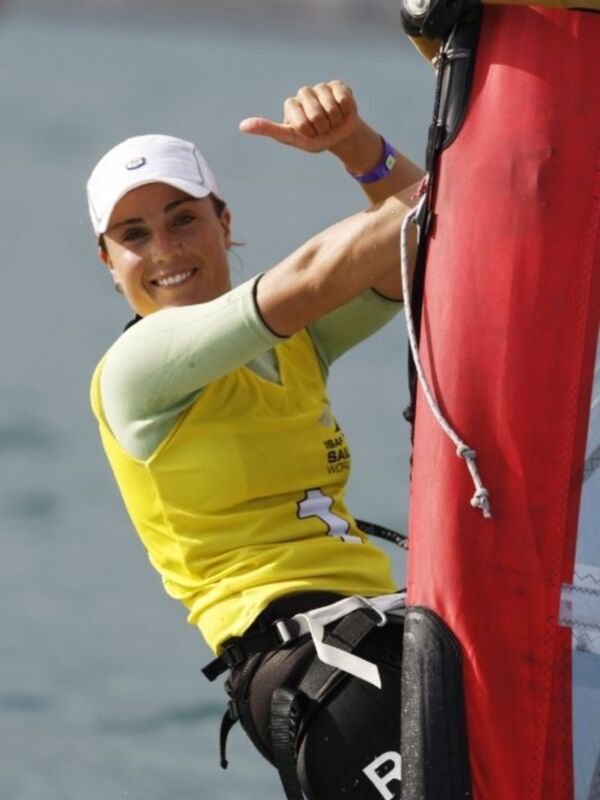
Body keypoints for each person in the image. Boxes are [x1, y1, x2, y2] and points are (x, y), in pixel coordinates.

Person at [87, 80, 423, 800]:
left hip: (397, 630)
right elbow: (328, 263)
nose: (165, 250)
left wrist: (355, 145)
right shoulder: (136, 369)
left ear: (224, 221)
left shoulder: (297, 343)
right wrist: (358, 158)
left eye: (183, 220)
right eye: (134, 236)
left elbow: (432, 234)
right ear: (108, 264)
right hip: (314, 668)